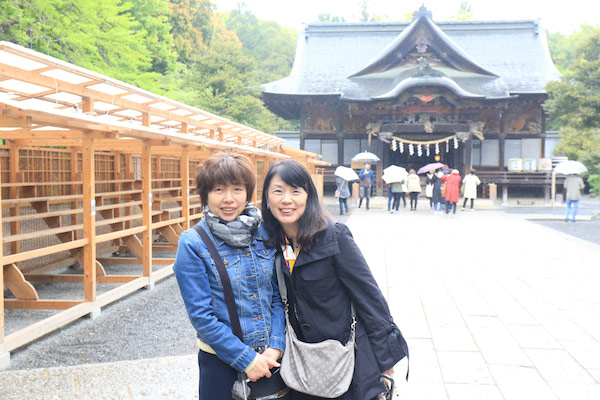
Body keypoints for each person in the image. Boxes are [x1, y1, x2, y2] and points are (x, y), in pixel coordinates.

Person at [261, 159, 409, 400]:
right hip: (297, 361)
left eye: (295, 191)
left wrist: (385, 362)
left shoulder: (333, 236)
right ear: (267, 197)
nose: (286, 200)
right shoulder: (266, 241)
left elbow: (370, 298)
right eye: (278, 191)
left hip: (345, 357)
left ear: (308, 196)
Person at [173, 152, 286, 400]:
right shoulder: (193, 242)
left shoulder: (265, 232)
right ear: (205, 194)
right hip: (220, 362)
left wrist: (276, 347)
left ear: (248, 192)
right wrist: (247, 360)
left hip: (270, 358)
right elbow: (202, 316)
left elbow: (277, 297)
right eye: (218, 190)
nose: (228, 199)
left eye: (237, 189)